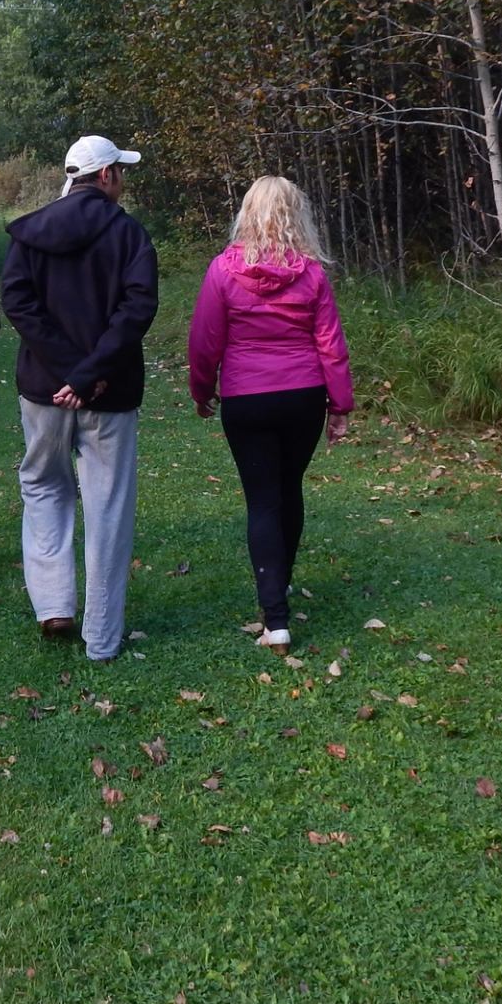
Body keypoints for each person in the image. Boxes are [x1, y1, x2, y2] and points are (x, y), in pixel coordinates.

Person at [0, 135, 159, 661]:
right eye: (122, 171)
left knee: (44, 485)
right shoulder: (130, 234)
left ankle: (53, 605)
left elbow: (18, 303)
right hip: (108, 393)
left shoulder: (31, 233)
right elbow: (136, 311)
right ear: (107, 175)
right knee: (107, 504)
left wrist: (70, 371)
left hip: (45, 390)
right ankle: (102, 637)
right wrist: (89, 372)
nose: (123, 181)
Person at [186, 176, 353, 656]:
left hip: (248, 397)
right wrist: (338, 405)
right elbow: (330, 346)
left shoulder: (223, 270)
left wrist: (202, 391)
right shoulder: (313, 274)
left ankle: (274, 619)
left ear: (247, 213)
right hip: (303, 395)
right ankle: (278, 590)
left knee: (263, 500)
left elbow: (205, 340)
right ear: (295, 216)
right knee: (288, 490)